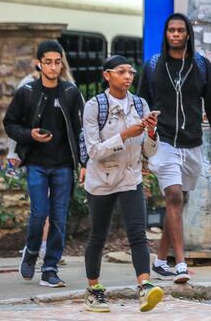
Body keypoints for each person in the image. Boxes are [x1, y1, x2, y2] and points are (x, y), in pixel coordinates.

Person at [138, 13, 211, 283]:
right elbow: (140, 106)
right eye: (171, 30)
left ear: (188, 34)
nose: (175, 34)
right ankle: (181, 264)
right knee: (174, 196)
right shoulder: (153, 66)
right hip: (163, 141)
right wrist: (140, 148)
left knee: (179, 201)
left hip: (193, 144)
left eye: (180, 30)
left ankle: (161, 260)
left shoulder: (200, 66)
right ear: (166, 34)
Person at [80, 55, 164, 313]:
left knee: (138, 234)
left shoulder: (139, 104)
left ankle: (145, 286)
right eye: (121, 72)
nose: (128, 76)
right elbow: (94, 151)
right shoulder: (95, 106)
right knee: (98, 236)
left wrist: (151, 133)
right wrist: (126, 134)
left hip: (130, 177)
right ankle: (93, 290)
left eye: (131, 72)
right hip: (101, 180)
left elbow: (149, 152)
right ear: (107, 75)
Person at [3, 40, 84, 287]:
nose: (52, 67)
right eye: (47, 62)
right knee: (39, 214)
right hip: (36, 163)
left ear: (62, 64)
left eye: (57, 62)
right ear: (39, 64)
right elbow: (10, 123)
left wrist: (84, 163)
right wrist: (30, 135)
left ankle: (50, 268)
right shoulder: (27, 92)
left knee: (59, 218)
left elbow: (82, 131)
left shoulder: (70, 93)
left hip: (63, 165)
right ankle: (31, 251)